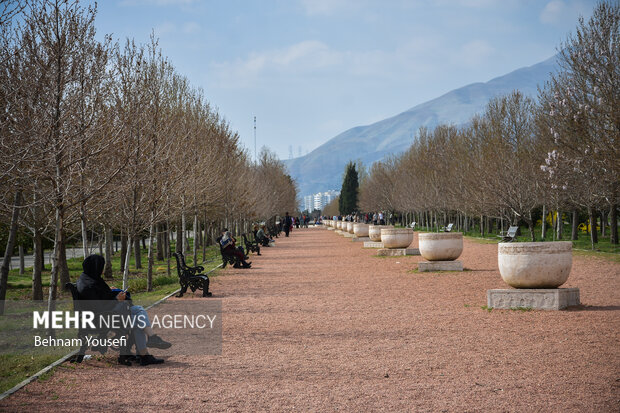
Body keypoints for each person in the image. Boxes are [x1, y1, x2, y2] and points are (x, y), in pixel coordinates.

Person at [76, 254, 171, 366]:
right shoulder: (90, 285)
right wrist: (116, 299)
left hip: (101, 316)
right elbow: (99, 307)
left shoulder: (87, 279)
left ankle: (149, 344)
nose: (102, 270)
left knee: (138, 311)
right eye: (101, 267)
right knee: (137, 319)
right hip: (101, 319)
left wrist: (109, 291)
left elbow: (100, 297)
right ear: (95, 267)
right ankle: (145, 351)